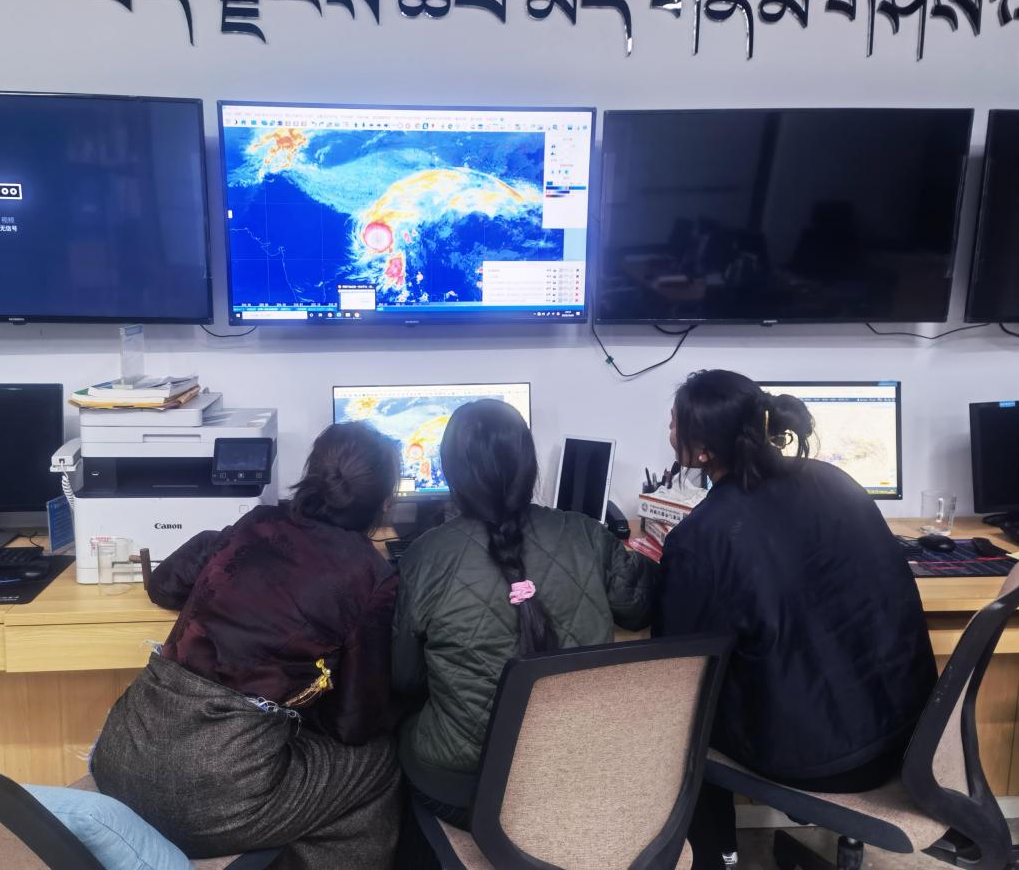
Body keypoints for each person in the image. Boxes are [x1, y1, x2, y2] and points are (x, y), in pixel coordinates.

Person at [656, 370, 937, 870]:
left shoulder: (703, 537)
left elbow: (676, 661)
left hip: (824, 761)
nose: (669, 429)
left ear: (701, 451)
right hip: (910, 735)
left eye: (674, 422)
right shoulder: (835, 480)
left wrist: (667, 563)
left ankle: (714, 858)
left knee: (680, 717)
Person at [91, 422, 403, 870]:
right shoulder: (371, 576)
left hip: (120, 757)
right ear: (385, 499)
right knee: (376, 762)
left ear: (311, 474)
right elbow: (353, 725)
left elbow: (164, 586)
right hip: (214, 798)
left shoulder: (256, 523)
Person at [392, 399, 658, 827]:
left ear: (452, 473)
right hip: (578, 771)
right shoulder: (586, 533)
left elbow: (404, 678)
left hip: (466, 789)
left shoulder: (424, 556)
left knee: (398, 735)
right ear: (529, 467)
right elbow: (639, 609)